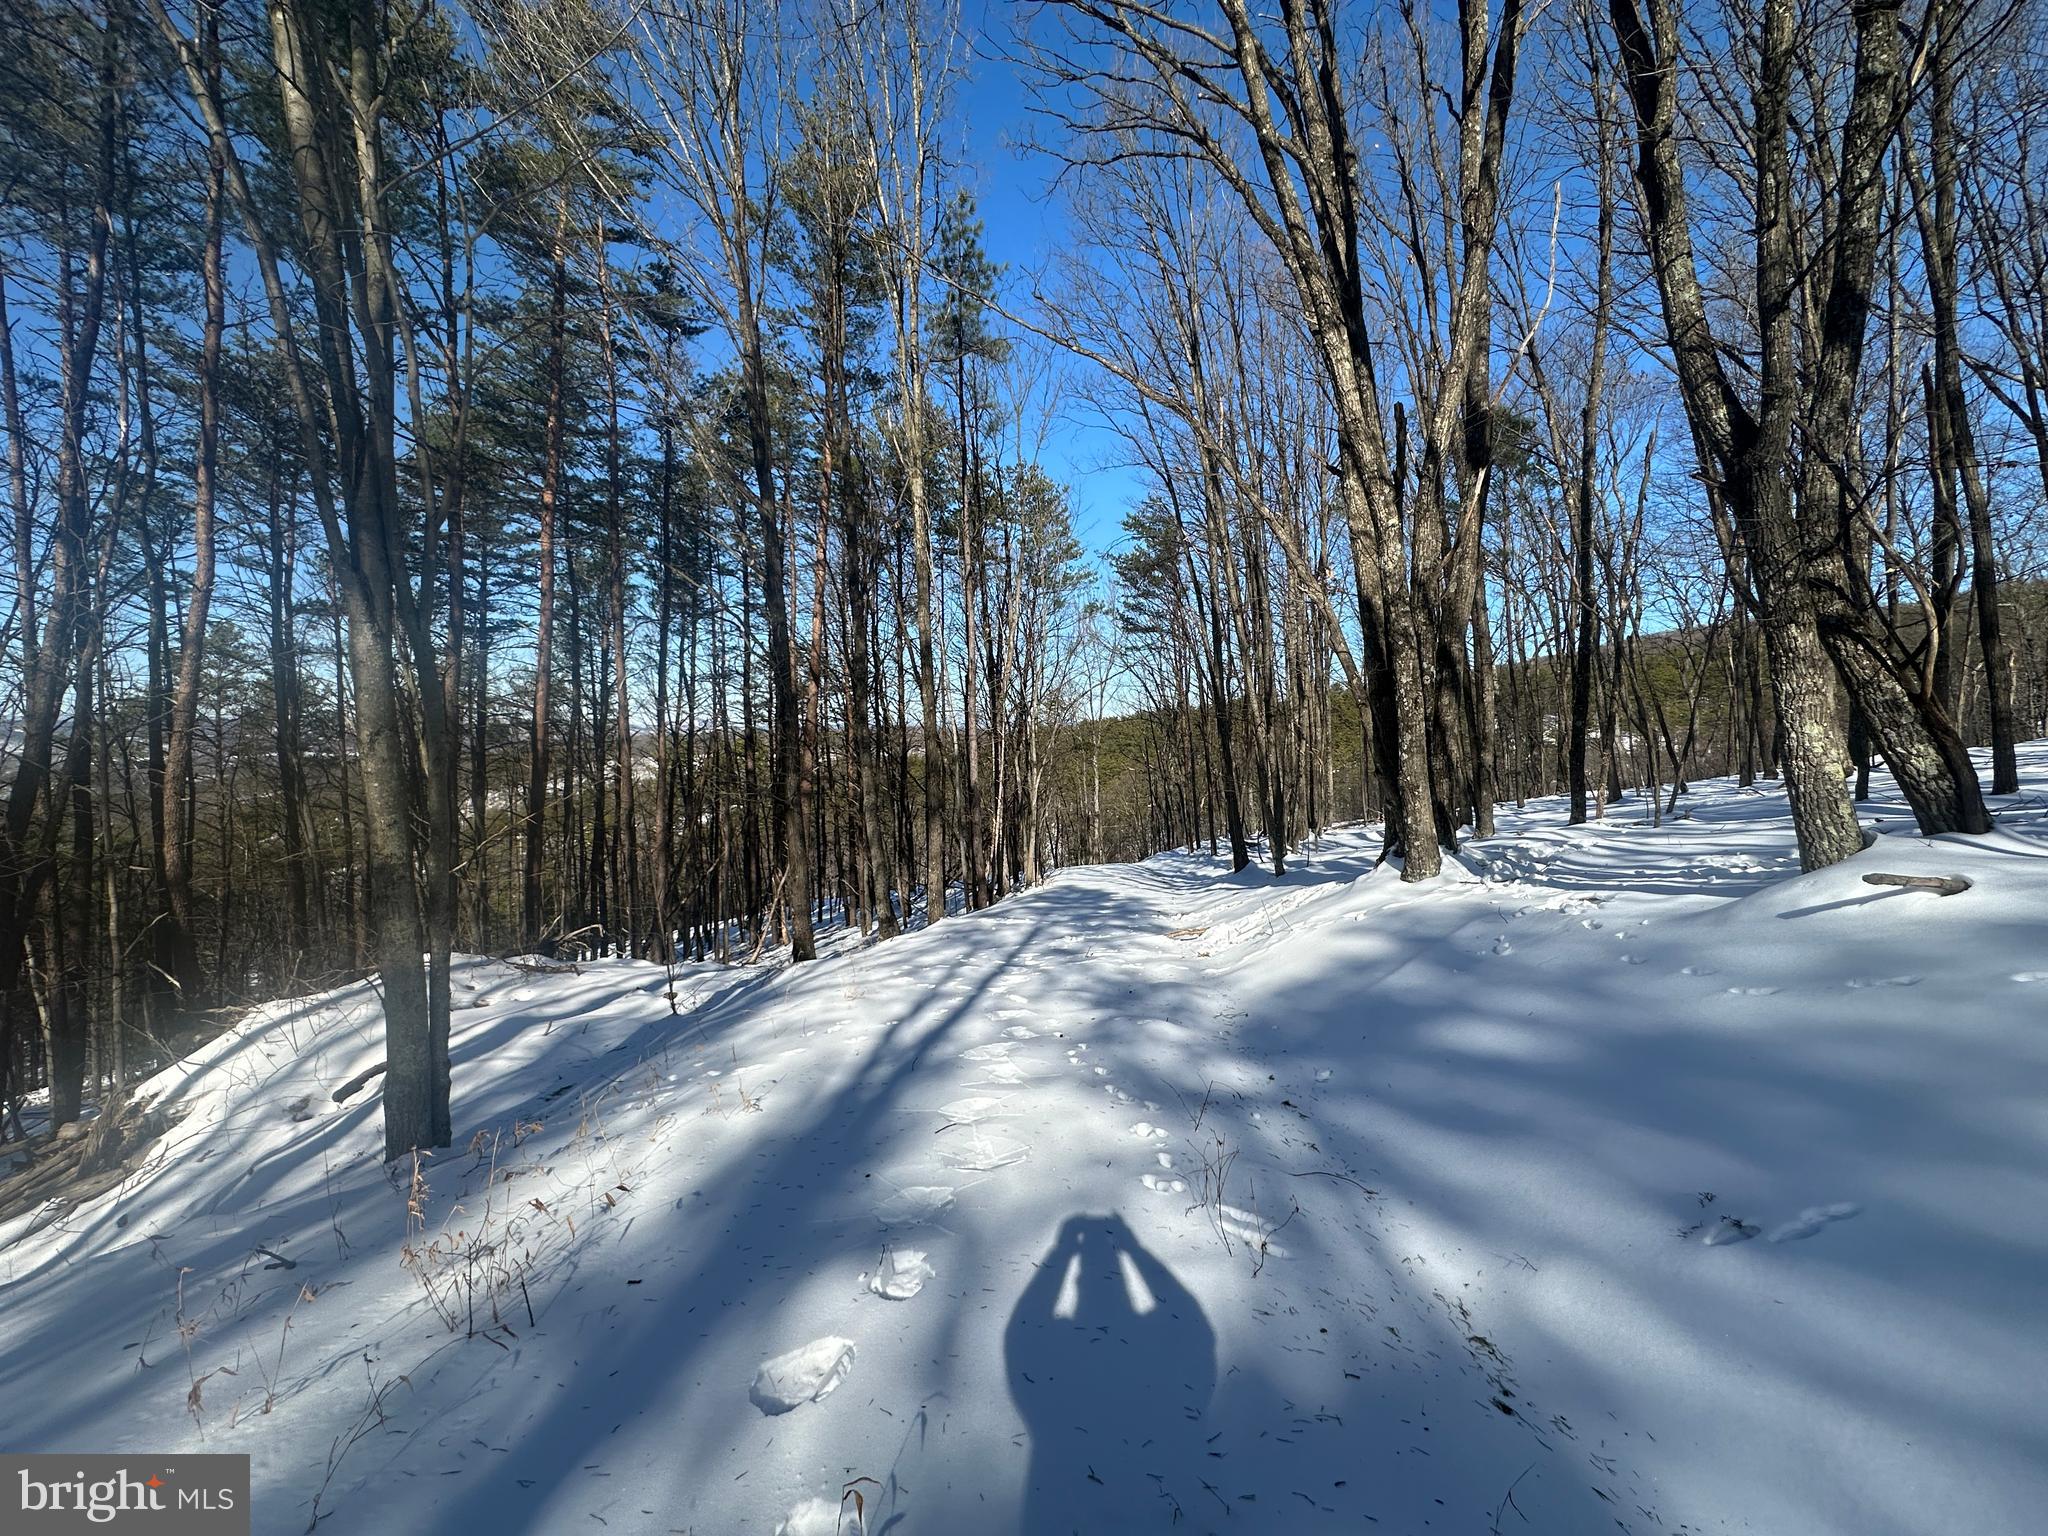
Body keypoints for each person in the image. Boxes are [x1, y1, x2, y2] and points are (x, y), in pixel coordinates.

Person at [1005, 1212, 1216, 1533]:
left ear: (1077, 1288)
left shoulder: (1060, 1351)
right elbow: (1190, 1321)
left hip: (1061, 1509)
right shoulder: (1156, 1344)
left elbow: (1023, 1332)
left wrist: (1061, 1254)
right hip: (1169, 1506)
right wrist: (1134, 1251)